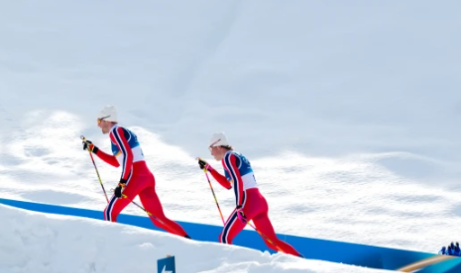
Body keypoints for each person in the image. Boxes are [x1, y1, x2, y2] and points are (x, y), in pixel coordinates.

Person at [82, 105, 190, 238]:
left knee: (110, 212)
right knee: (158, 219)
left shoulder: (116, 131)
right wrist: (94, 149)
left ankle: (112, 248)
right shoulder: (119, 133)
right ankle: (189, 242)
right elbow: (117, 162)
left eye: (99, 121)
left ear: (107, 120)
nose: (98, 125)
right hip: (146, 177)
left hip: (136, 177)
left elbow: (128, 156)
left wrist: (122, 183)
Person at [199, 132, 301, 256]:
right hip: (259, 201)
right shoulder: (235, 156)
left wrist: (239, 206)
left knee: (225, 237)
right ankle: (301, 261)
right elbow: (228, 184)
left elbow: (237, 181)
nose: (211, 153)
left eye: (211, 148)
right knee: (272, 242)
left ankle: (229, 269)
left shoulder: (227, 157)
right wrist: (209, 168)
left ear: (219, 146)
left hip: (249, 202)